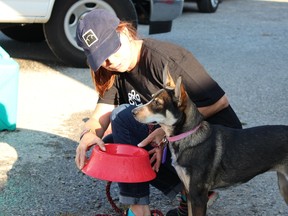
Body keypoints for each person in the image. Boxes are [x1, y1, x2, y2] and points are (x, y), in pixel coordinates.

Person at [75, 9, 242, 216]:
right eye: (102, 57)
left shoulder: (164, 59)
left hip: (219, 146)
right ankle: (189, 193)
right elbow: (99, 116)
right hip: (183, 139)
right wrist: (88, 134)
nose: (110, 61)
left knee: (123, 119)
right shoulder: (114, 70)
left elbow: (219, 102)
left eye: (112, 49)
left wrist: (165, 133)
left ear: (125, 32)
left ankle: (139, 211)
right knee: (111, 143)